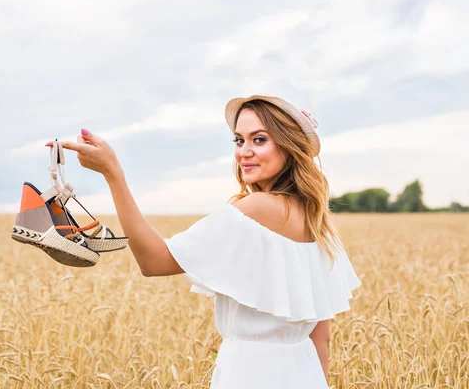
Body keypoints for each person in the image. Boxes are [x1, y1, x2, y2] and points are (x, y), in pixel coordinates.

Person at [45, 93, 361, 388]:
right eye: (239, 139)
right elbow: (321, 339)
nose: (244, 151)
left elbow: (154, 261)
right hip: (304, 374)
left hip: (251, 374)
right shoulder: (319, 224)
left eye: (259, 139)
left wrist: (113, 173)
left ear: (289, 146)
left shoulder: (256, 208)